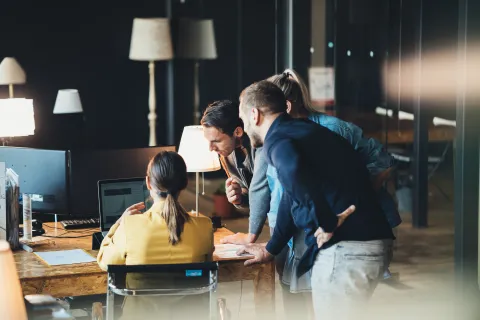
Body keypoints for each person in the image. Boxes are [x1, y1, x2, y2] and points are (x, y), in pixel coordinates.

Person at [222, 70, 400, 284]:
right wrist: (271, 249)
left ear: (255, 115)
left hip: (351, 244)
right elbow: (292, 193)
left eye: (243, 118)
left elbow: (293, 172)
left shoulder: (278, 140)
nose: (243, 127)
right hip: (365, 239)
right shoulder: (303, 131)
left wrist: (326, 222)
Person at [97, 151, 214, 319]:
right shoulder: (204, 226)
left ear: (148, 184)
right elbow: (206, 265)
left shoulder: (130, 226)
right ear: (185, 183)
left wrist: (119, 223)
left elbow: (104, 261)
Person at [201, 100, 270, 216]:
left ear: (237, 132)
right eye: (208, 141)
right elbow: (248, 194)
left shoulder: (262, 148)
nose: (211, 148)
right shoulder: (226, 154)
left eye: (216, 141)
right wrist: (238, 198)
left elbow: (270, 195)